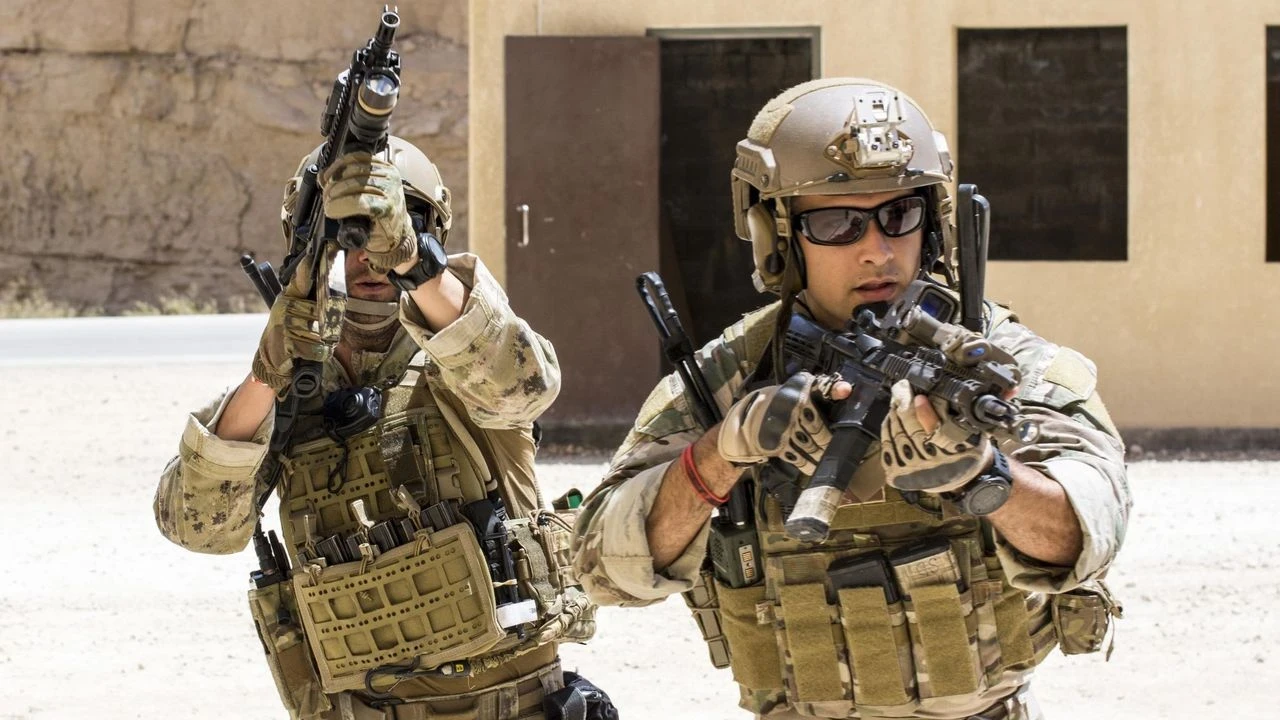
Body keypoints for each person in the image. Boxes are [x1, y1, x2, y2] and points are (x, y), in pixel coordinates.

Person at [572, 78, 1130, 720]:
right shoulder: (729, 377)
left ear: (934, 223)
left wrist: (987, 479)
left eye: (900, 215)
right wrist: (720, 457)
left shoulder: (998, 362)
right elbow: (600, 571)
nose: (877, 250)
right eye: (837, 223)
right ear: (778, 236)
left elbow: (1094, 530)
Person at [154, 137, 600, 720]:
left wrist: (414, 263)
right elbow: (197, 528)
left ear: (426, 233)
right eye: (347, 237)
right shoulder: (288, 386)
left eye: (384, 232)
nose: (368, 255)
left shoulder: (466, 347)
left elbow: (525, 386)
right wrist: (267, 376)